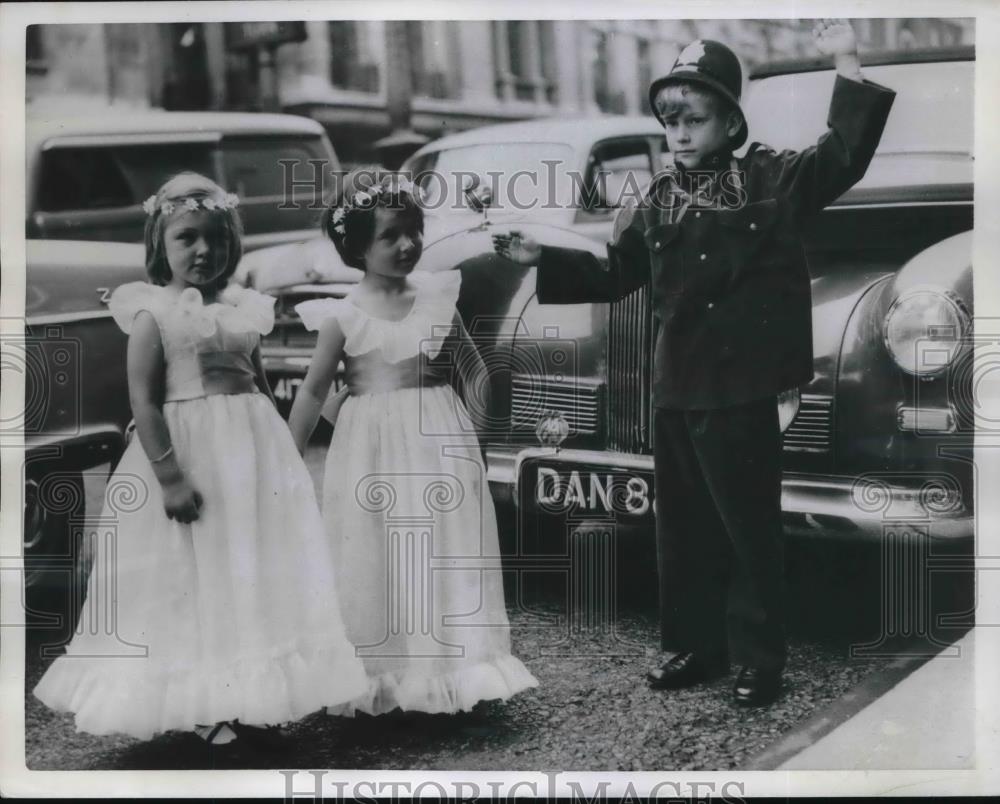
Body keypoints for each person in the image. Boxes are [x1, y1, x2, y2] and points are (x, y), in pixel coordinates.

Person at [493, 20, 895, 706]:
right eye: (670, 120)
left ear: (731, 121)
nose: (679, 133)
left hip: (741, 391)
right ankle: (696, 649)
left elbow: (841, 158)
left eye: (695, 118)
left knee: (748, 531)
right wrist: (541, 259)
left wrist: (847, 62)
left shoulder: (770, 177)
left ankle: (758, 661)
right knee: (681, 531)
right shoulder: (656, 197)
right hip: (675, 386)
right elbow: (619, 271)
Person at [33, 172, 368, 745]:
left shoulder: (247, 310)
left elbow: (260, 385)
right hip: (189, 455)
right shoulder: (152, 315)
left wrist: (282, 458)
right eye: (187, 237)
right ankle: (203, 701)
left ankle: (247, 694)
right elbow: (143, 399)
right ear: (160, 245)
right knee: (194, 573)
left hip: (249, 454)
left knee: (246, 567)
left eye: (215, 237)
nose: (203, 250)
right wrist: (169, 477)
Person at [287, 168, 538, 716]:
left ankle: (452, 671)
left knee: (442, 549)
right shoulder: (344, 315)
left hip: (436, 438)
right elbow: (312, 390)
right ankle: (386, 677)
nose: (407, 245)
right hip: (371, 448)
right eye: (389, 236)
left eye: (413, 231)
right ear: (355, 247)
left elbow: (475, 371)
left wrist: (477, 436)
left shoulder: (436, 296)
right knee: (376, 553)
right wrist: (289, 453)